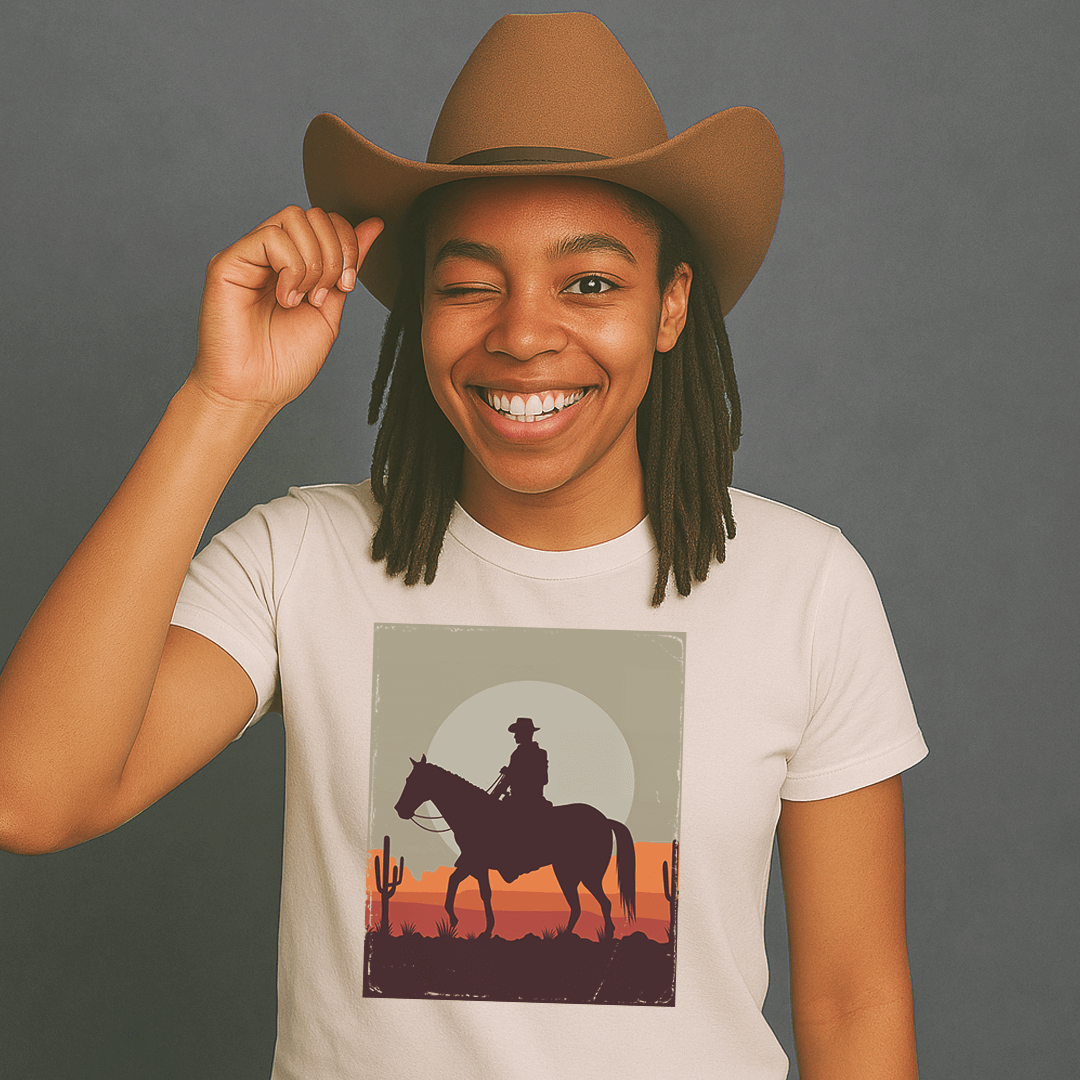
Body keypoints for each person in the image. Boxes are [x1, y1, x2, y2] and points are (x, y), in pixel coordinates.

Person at [0, 12, 926, 1079]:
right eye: (469, 281)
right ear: (418, 313)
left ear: (672, 306)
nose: (523, 333)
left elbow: (855, 998)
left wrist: (518, 787)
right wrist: (223, 400)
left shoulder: (805, 585)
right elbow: (32, 799)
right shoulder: (300, 558)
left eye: (589, 282)